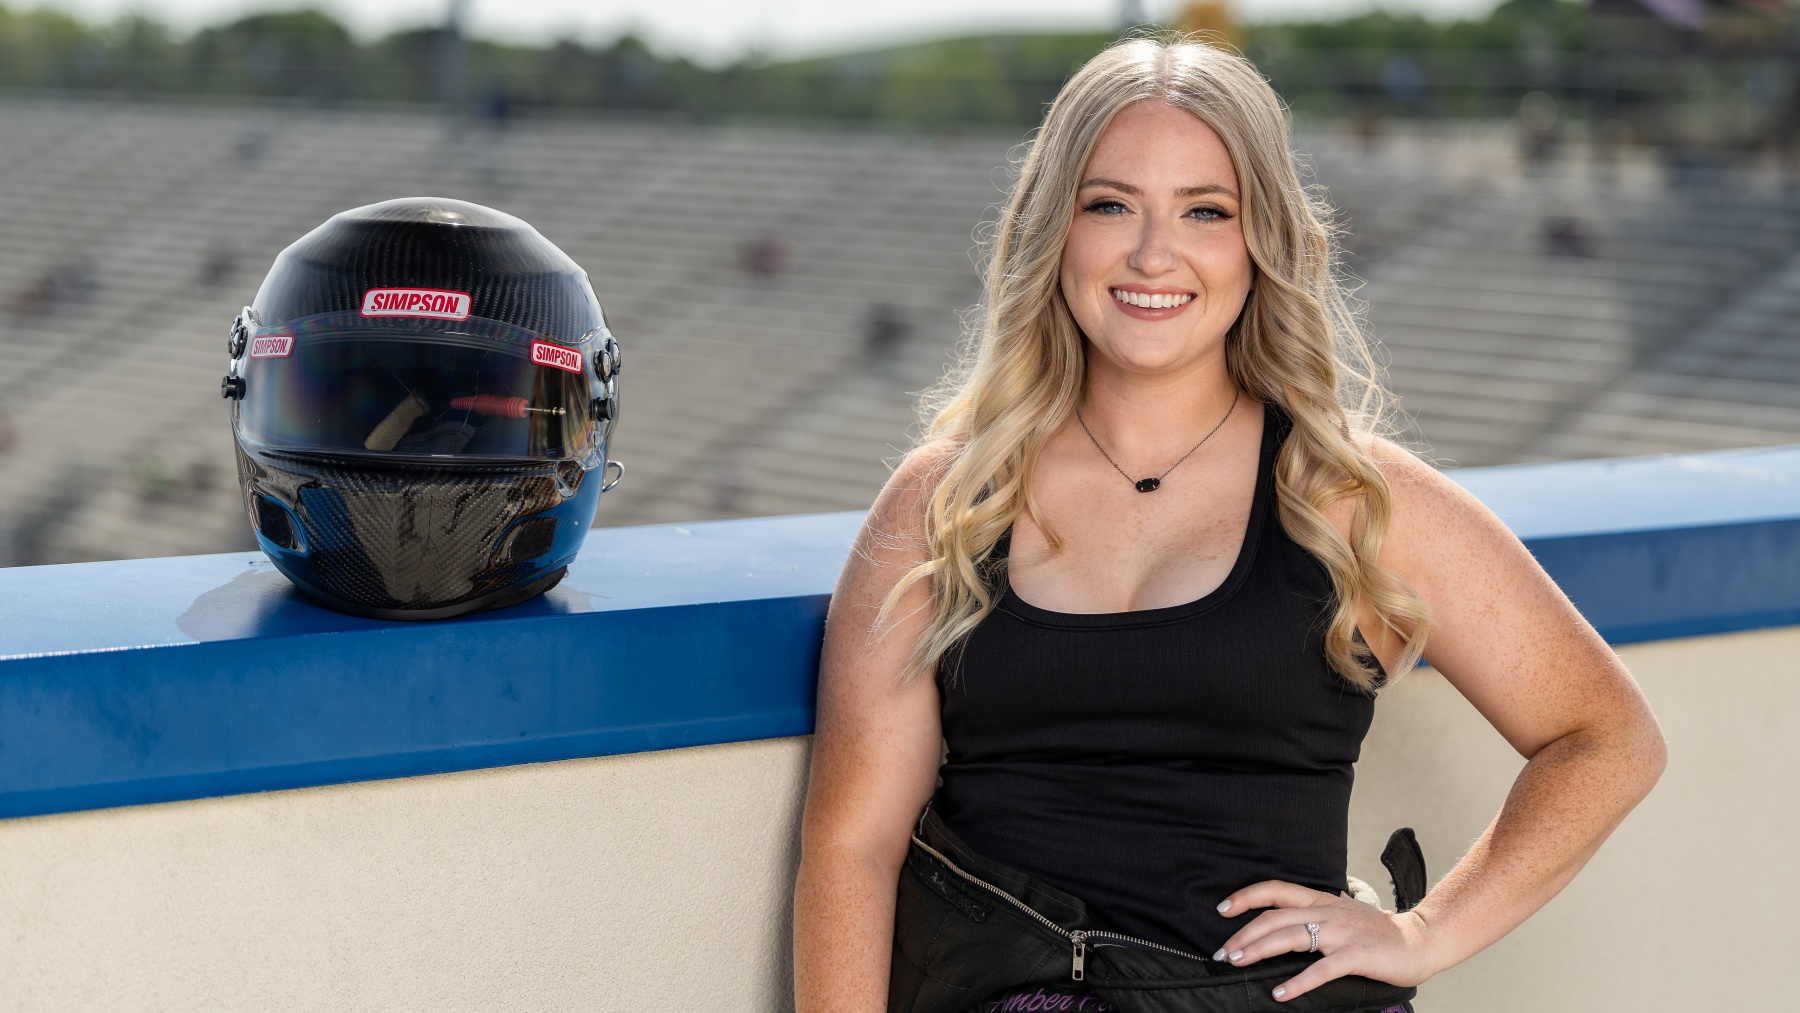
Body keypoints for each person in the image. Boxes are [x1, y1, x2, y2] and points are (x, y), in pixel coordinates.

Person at [792, 37, 1666, 1013]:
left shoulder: (1353, 496)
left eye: (1205, 211)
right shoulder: (947, 504)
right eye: (1109, 204)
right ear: (1053, 229)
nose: (1152, 253)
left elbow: (1607, 736)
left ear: (1261, 241)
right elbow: (853, 845)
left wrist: (1424, 930)